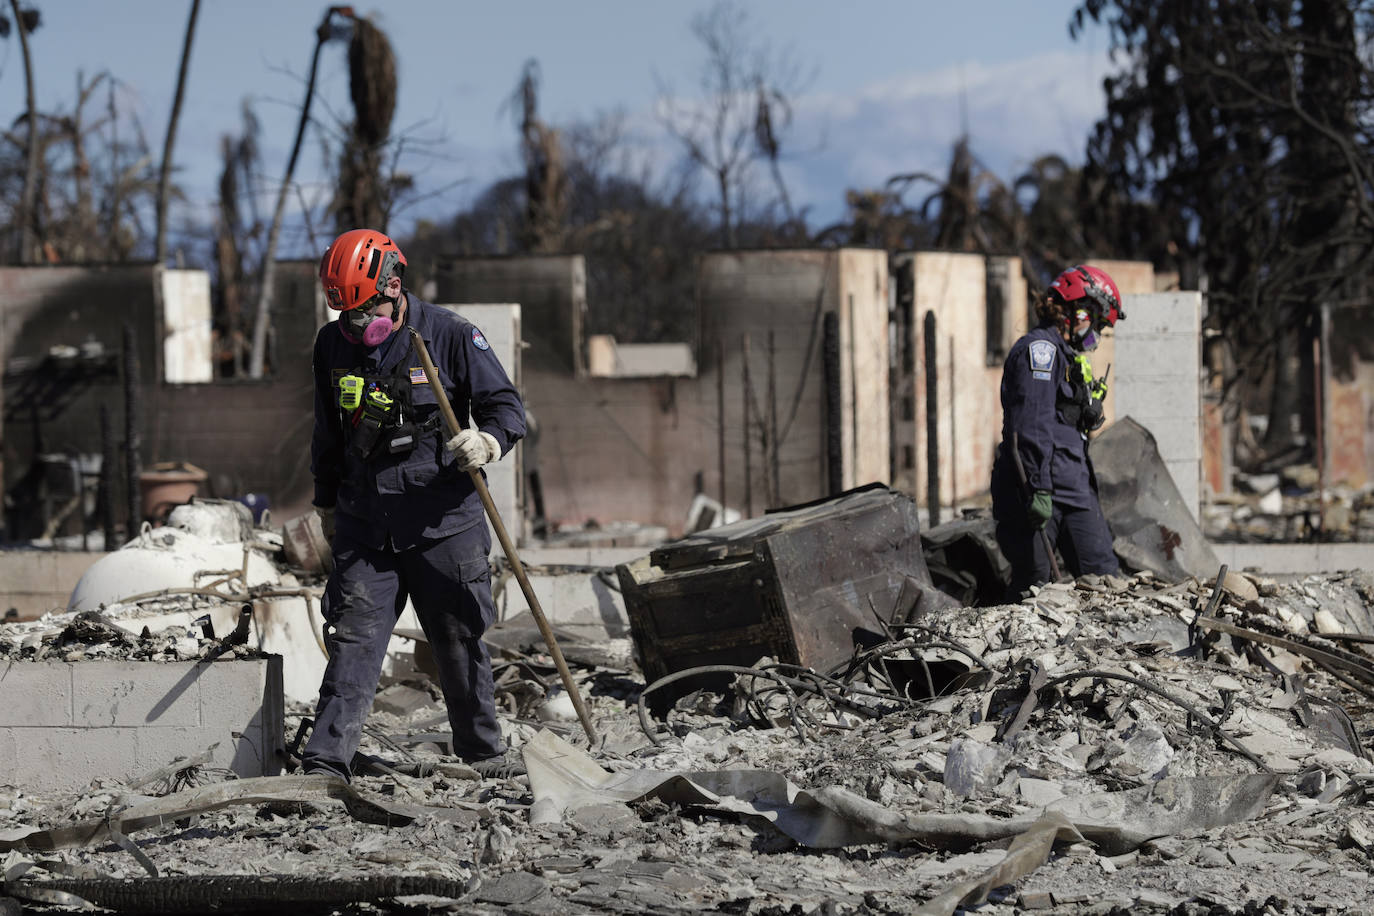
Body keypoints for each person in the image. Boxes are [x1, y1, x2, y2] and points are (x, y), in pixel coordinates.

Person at [303, 228, 527, 780]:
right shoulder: (332, 346)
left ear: (394, 288)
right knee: (354, 639)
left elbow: (507, 408)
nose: (355, 326)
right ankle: (326, 764)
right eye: (345, 315)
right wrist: (326, 505)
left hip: (443, 524)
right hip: (366, 524)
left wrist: (489, 442)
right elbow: (327, 433)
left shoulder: (450, 336)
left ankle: (481, 754)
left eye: (363, 312)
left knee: (457, 640)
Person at [990, 264, 1124, 598]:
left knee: (1104, 581)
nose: (1096, 334)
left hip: (1075, 489)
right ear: (1077, 310)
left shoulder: (1070, 359)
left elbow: (1064, 425)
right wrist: (1037, 489)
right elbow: (1029, 425)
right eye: (1097, 322)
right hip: (1039, 492)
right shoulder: (1040, 351)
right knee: (1035, 588)